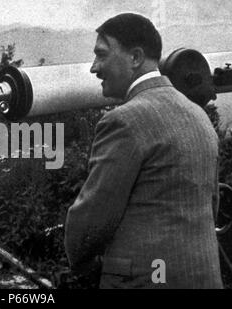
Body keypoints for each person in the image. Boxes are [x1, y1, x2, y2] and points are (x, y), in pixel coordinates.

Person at [64, 13, 222, 289]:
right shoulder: (199, 116)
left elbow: (91, 222)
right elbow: (212, 204)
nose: (94, 67)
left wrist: (81, 261)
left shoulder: (123, 121)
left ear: (135, 58)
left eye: (101, 55)